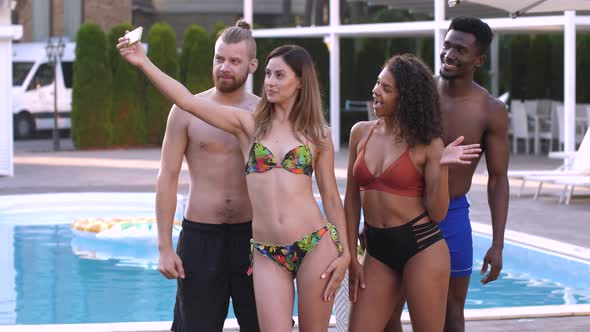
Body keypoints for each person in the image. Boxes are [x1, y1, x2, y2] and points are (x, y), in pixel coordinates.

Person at [118, 34, 350, 331]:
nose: (270, 82)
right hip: (263, 249)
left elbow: (331, 196)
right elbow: (185, 100)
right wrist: (143, 62)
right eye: (268, 74)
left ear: (301, 81)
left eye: (279, 75)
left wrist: (344, 252)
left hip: (313, 243)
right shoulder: (249, 123)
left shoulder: (318, 133)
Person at [385, 17, 510, 332]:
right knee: (388, 309)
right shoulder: (416, 94)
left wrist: (498, 243)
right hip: (404, 209)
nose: (449, 54)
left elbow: (498, 178)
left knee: (451, 311)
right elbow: (384, 153)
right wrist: (374, 217)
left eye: (461, 50)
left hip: (452, 216)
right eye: (447, 45)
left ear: (478, 60)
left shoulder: (489, 109)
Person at [345, 54, 481, 332]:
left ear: (405, 98)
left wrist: (440, 166)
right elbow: (351, 200)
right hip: (377, 250)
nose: (375, 91)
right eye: (377, 83)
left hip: (422, 247)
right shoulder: (360, 133)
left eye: (386, 88)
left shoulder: (428, 144)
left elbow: (438, 212)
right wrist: (350, 256)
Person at [155, 21, 260, 332]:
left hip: (254, 237)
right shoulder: (186, 110)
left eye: (234, 61)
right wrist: (164, 246)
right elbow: (167, 177)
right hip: (200, 238)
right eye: (219, 59)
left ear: (252, 65)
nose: (224, 67)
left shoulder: (265, 112)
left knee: (263, 325)